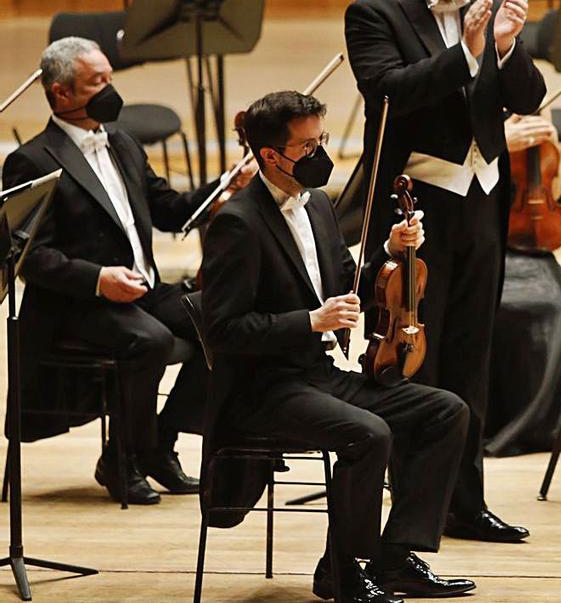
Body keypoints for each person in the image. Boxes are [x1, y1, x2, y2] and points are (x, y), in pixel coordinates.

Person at [201, 91, 475, 602]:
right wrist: (308, 321)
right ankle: (345, 572)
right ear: (270, 156)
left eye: (322, 139)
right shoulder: (237, 223)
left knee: (445, 411)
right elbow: (223, 330)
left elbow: (350, 285)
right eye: (308, 145)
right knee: (368, 434)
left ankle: (394, 556)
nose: (320, 153)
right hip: (264, 390)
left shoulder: (319, 205)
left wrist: (392, 252)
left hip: (319, 376)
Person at [344, 0, 546, 543]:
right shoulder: (373, 13)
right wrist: (467, 49)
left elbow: (528, 97)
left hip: (482, 202)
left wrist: (506, 50)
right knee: (413, 359)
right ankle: (415, 512)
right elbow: (390, 94)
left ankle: (466, 502)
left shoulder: (485, 10)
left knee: (470, 356)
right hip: (416, 209)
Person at [1, 36, 255, 506]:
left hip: (141, 288)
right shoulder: (32, 160)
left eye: (109, 79)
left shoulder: (122, 142)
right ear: (61, 94)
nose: (109, 89)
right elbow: (30, 258)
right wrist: (100, 279)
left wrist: (223, 188)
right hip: (76, 302)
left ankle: (159, 443)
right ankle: (122, 461)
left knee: (226, 320)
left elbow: (169, 210)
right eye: (96, 82)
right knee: (151, 340)